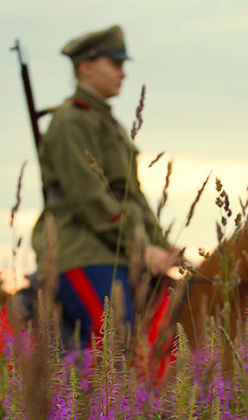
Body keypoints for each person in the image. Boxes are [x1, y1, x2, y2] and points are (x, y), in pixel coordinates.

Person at [30, 25, 180, 351]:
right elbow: (90, 200)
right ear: (85, 66)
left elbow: (133, 196)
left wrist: (162, 246)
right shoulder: (72, 121)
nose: (122, 73)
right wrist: (142, 247)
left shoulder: (109, 124)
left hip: (119, 250)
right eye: (114, 64)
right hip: (80, 250)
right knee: (116, 334)